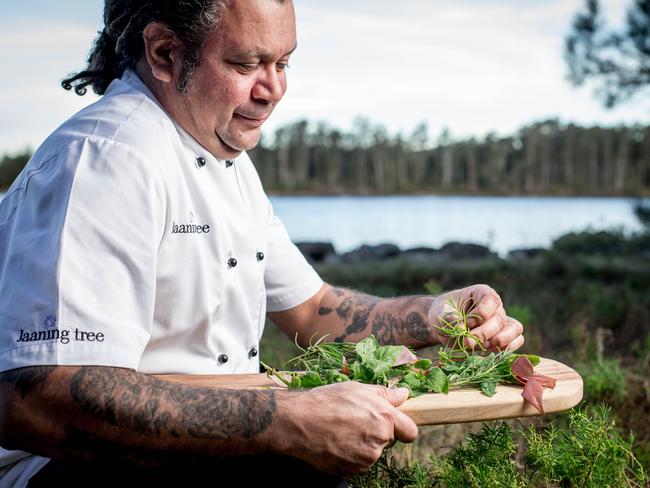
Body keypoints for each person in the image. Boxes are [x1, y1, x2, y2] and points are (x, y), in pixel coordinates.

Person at [0, 0, 524, 486]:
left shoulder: (226, 159)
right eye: (246, 64)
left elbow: (315, 310)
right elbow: (39, 401)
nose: (273, 88)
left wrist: (432, 314)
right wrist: (285, 421)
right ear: (164, 52)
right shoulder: (106, 158)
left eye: (284, 63)